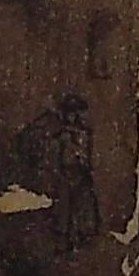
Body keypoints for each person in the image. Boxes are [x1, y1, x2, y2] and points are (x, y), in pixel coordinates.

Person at [49, 91, 101, 255]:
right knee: (64, 208)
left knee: (81, 206)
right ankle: (64, 241)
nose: (72, 116)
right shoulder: (61, 136)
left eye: (75, 113)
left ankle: (80, 237)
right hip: (66, 173)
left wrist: (85, 165)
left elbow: (87, 155)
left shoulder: (84, 134)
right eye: (69, 113)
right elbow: (58, 157)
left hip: (81, 173)